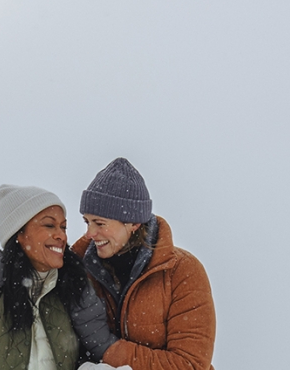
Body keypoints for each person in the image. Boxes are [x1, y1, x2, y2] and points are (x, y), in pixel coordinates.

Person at [71, 158, 216, 370]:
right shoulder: (80, 268)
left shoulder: (183, 272)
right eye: (87, 222)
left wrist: (109, 349)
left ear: (133, 223)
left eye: (100, 223)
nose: (90, 233)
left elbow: (189, 364)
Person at [0, 184, 96, 370]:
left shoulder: (71, 287)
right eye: (49, 225)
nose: (61, 235)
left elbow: (90, 356)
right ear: (18, 234)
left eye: (63, 227)